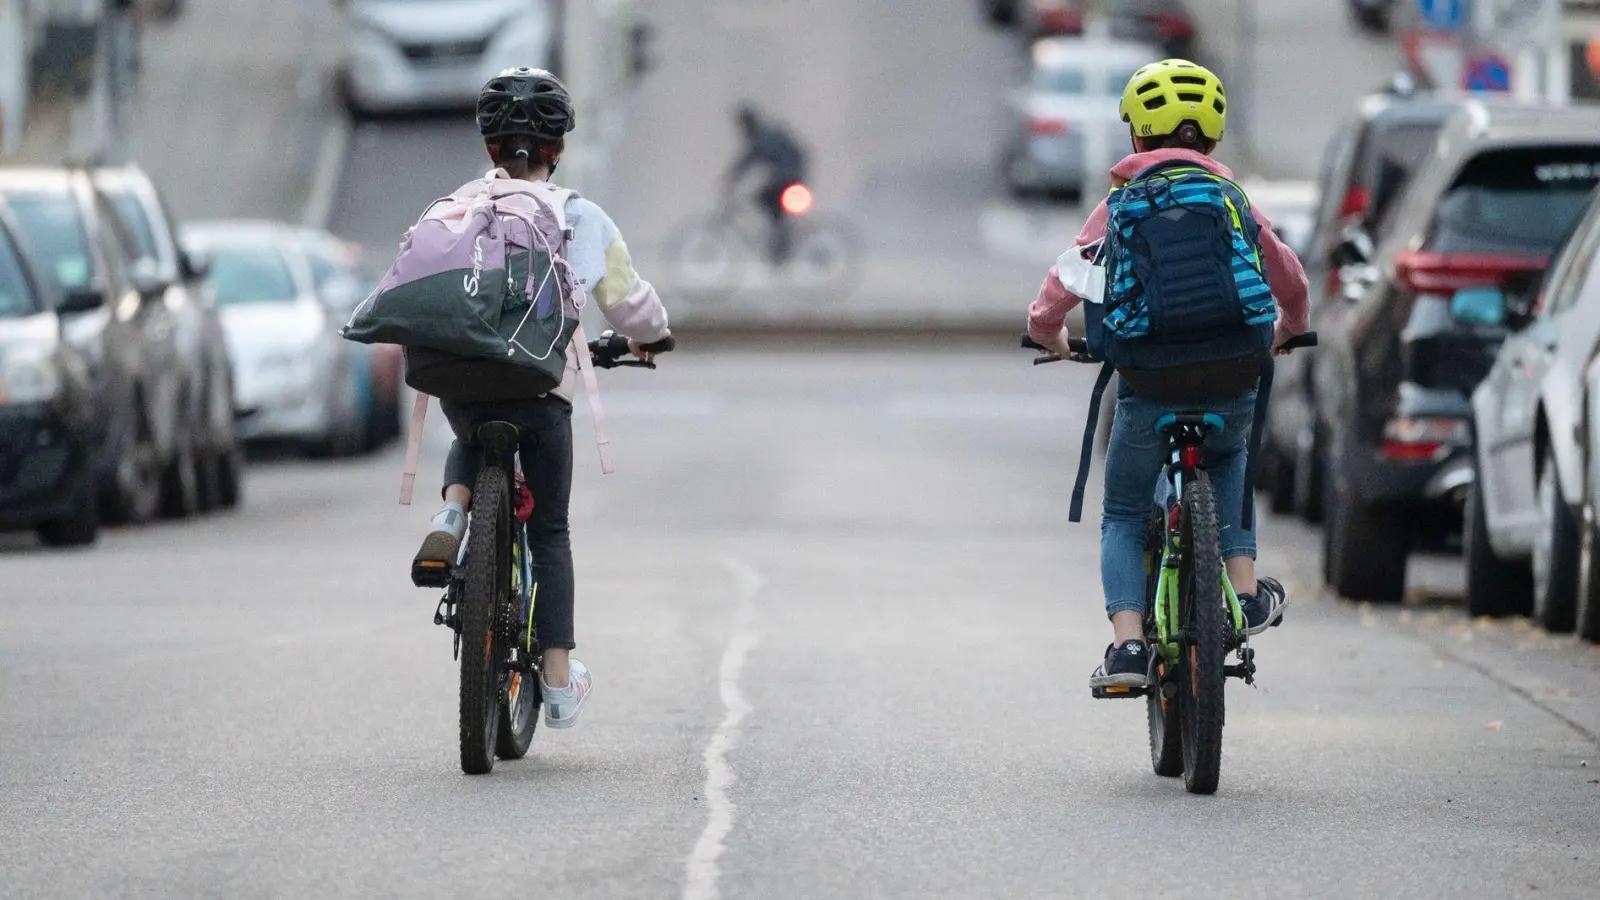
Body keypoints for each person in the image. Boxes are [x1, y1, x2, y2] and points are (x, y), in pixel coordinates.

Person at [1025, 59, 1310, 691]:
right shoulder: (1232, 199)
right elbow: (1286, 272)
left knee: (1124, 511)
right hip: (1237, 366)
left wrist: (1049, 334)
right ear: (1211, 138)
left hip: (1150, 382)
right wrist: (1292, 325)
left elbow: (1060, 283)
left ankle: (1128, 648)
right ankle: (1246, 593)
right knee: (1230, 458)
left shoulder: (1121, 203)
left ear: (1136, 136)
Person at [412, 67, 671, 729]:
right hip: (540, 391)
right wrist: (652, 337)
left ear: (490, 144)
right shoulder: (579, 217)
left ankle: (452, 514)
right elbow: (628, 300)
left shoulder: (454, 206)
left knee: (467, 430)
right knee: (550, 532)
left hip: (464, 384)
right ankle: (557, 683)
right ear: (557, 147)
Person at [725, 103, 808, 264]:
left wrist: (732, 177)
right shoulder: (765, 134)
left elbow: (750, 159)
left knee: (763, 198)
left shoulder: (761, 137)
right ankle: (778, 238)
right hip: (791, 176)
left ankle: (780, 243)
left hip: (788, 177)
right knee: (766, 201)